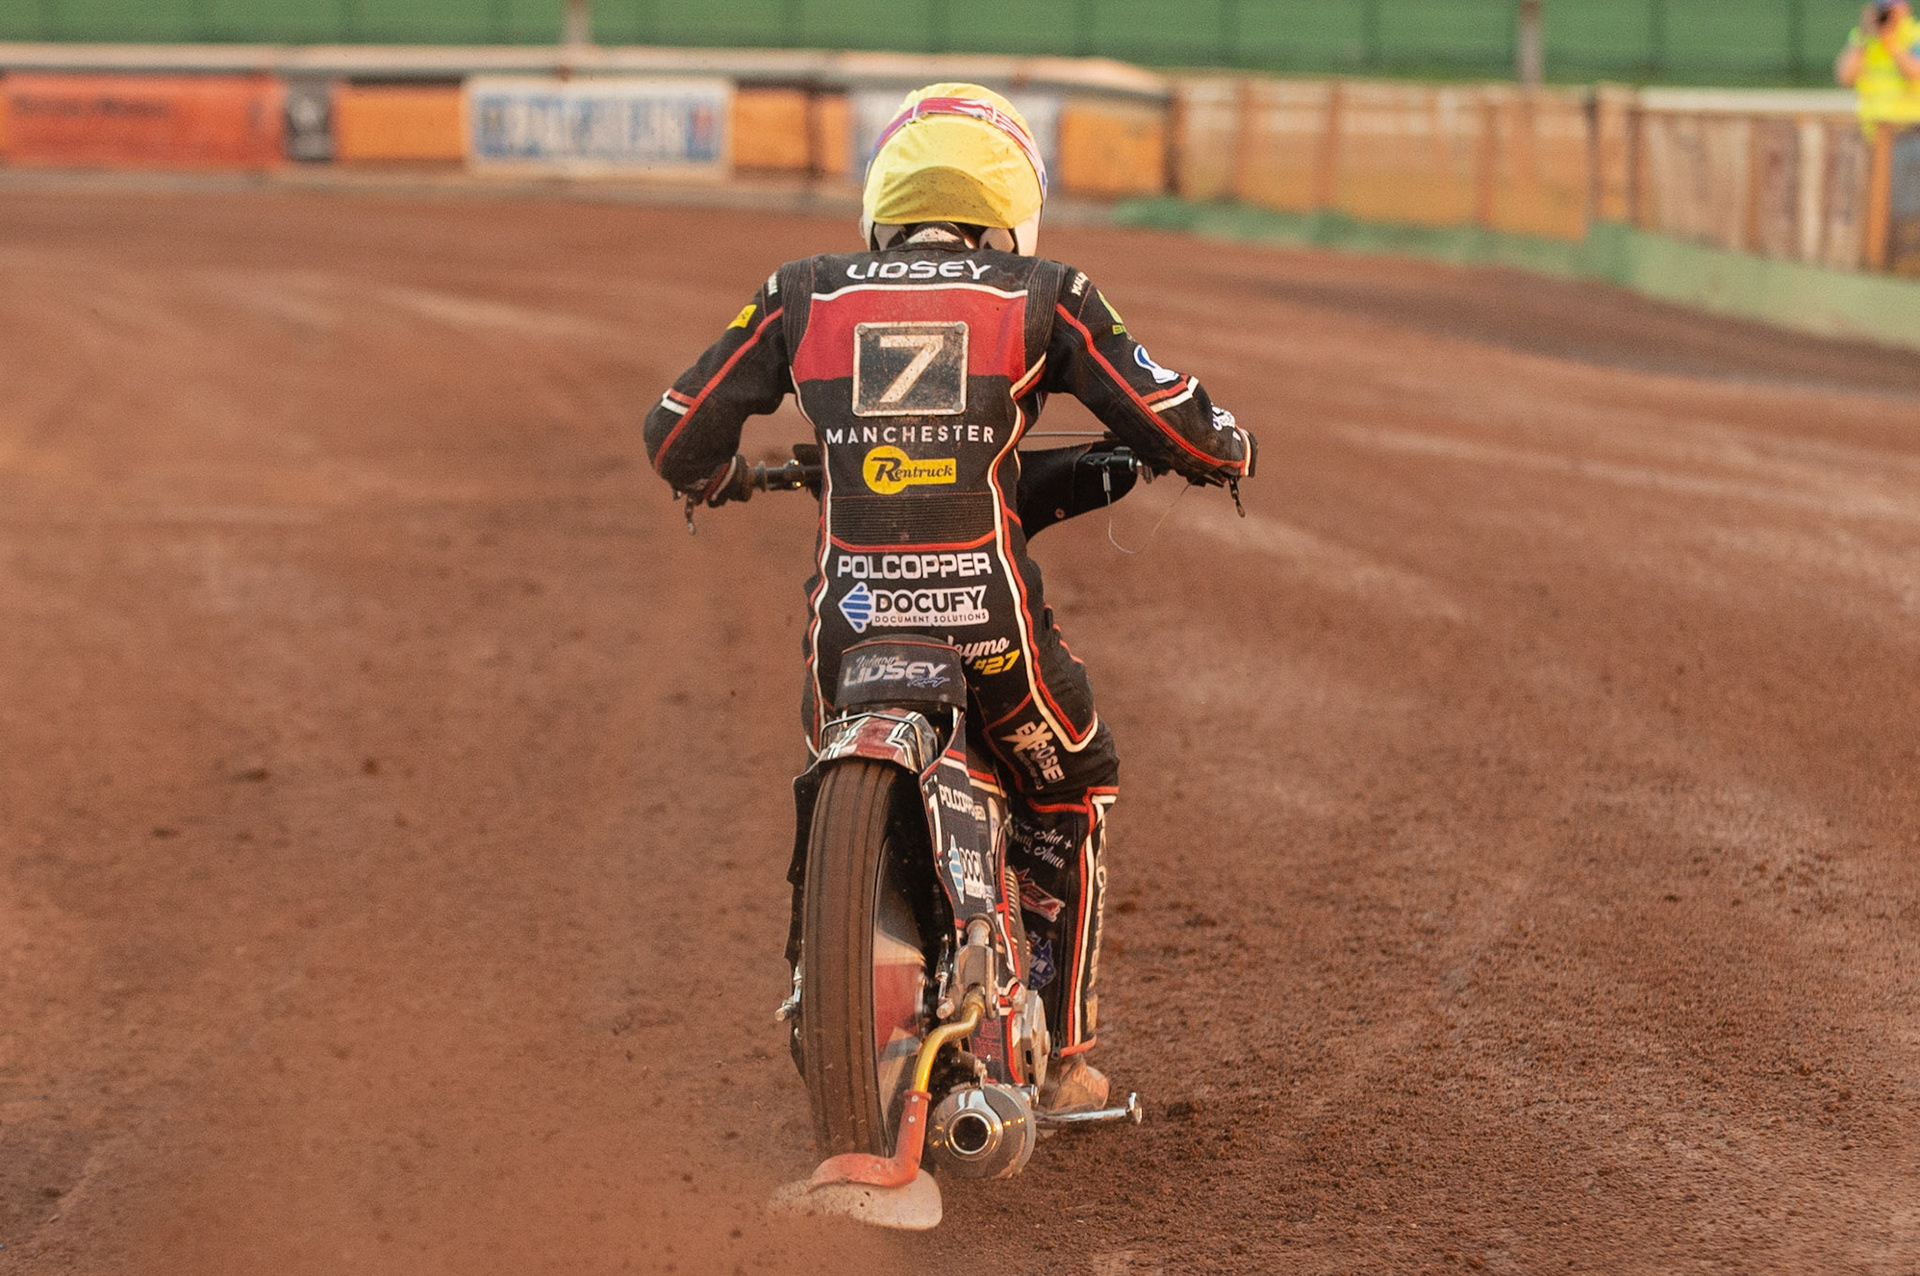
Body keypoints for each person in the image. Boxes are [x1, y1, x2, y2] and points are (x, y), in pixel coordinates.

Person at [642, 83, 1254, 1114]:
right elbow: (1171, 416)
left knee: (817, 739)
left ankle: (829, 968)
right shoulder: (1046, 294)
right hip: (993, 644)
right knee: (1076, 775)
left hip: (845, 642)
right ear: (1012, 201)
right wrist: (1223, 448)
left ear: (885, 198)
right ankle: (1062, 1056)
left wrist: (710, 478)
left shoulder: (802, 292)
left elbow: (677, 434)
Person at [1837, 0, 1920, 131]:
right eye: (1882, 10)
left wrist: (1890, 41)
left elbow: (1915, 73)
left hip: (1909, 125)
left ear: (1905, 9)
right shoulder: (1863, 37)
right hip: (1874, 126)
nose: (1886, 15)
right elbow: (1846, 77)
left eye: (1890, 10)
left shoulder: (1914, 35)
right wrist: (1864, 36)